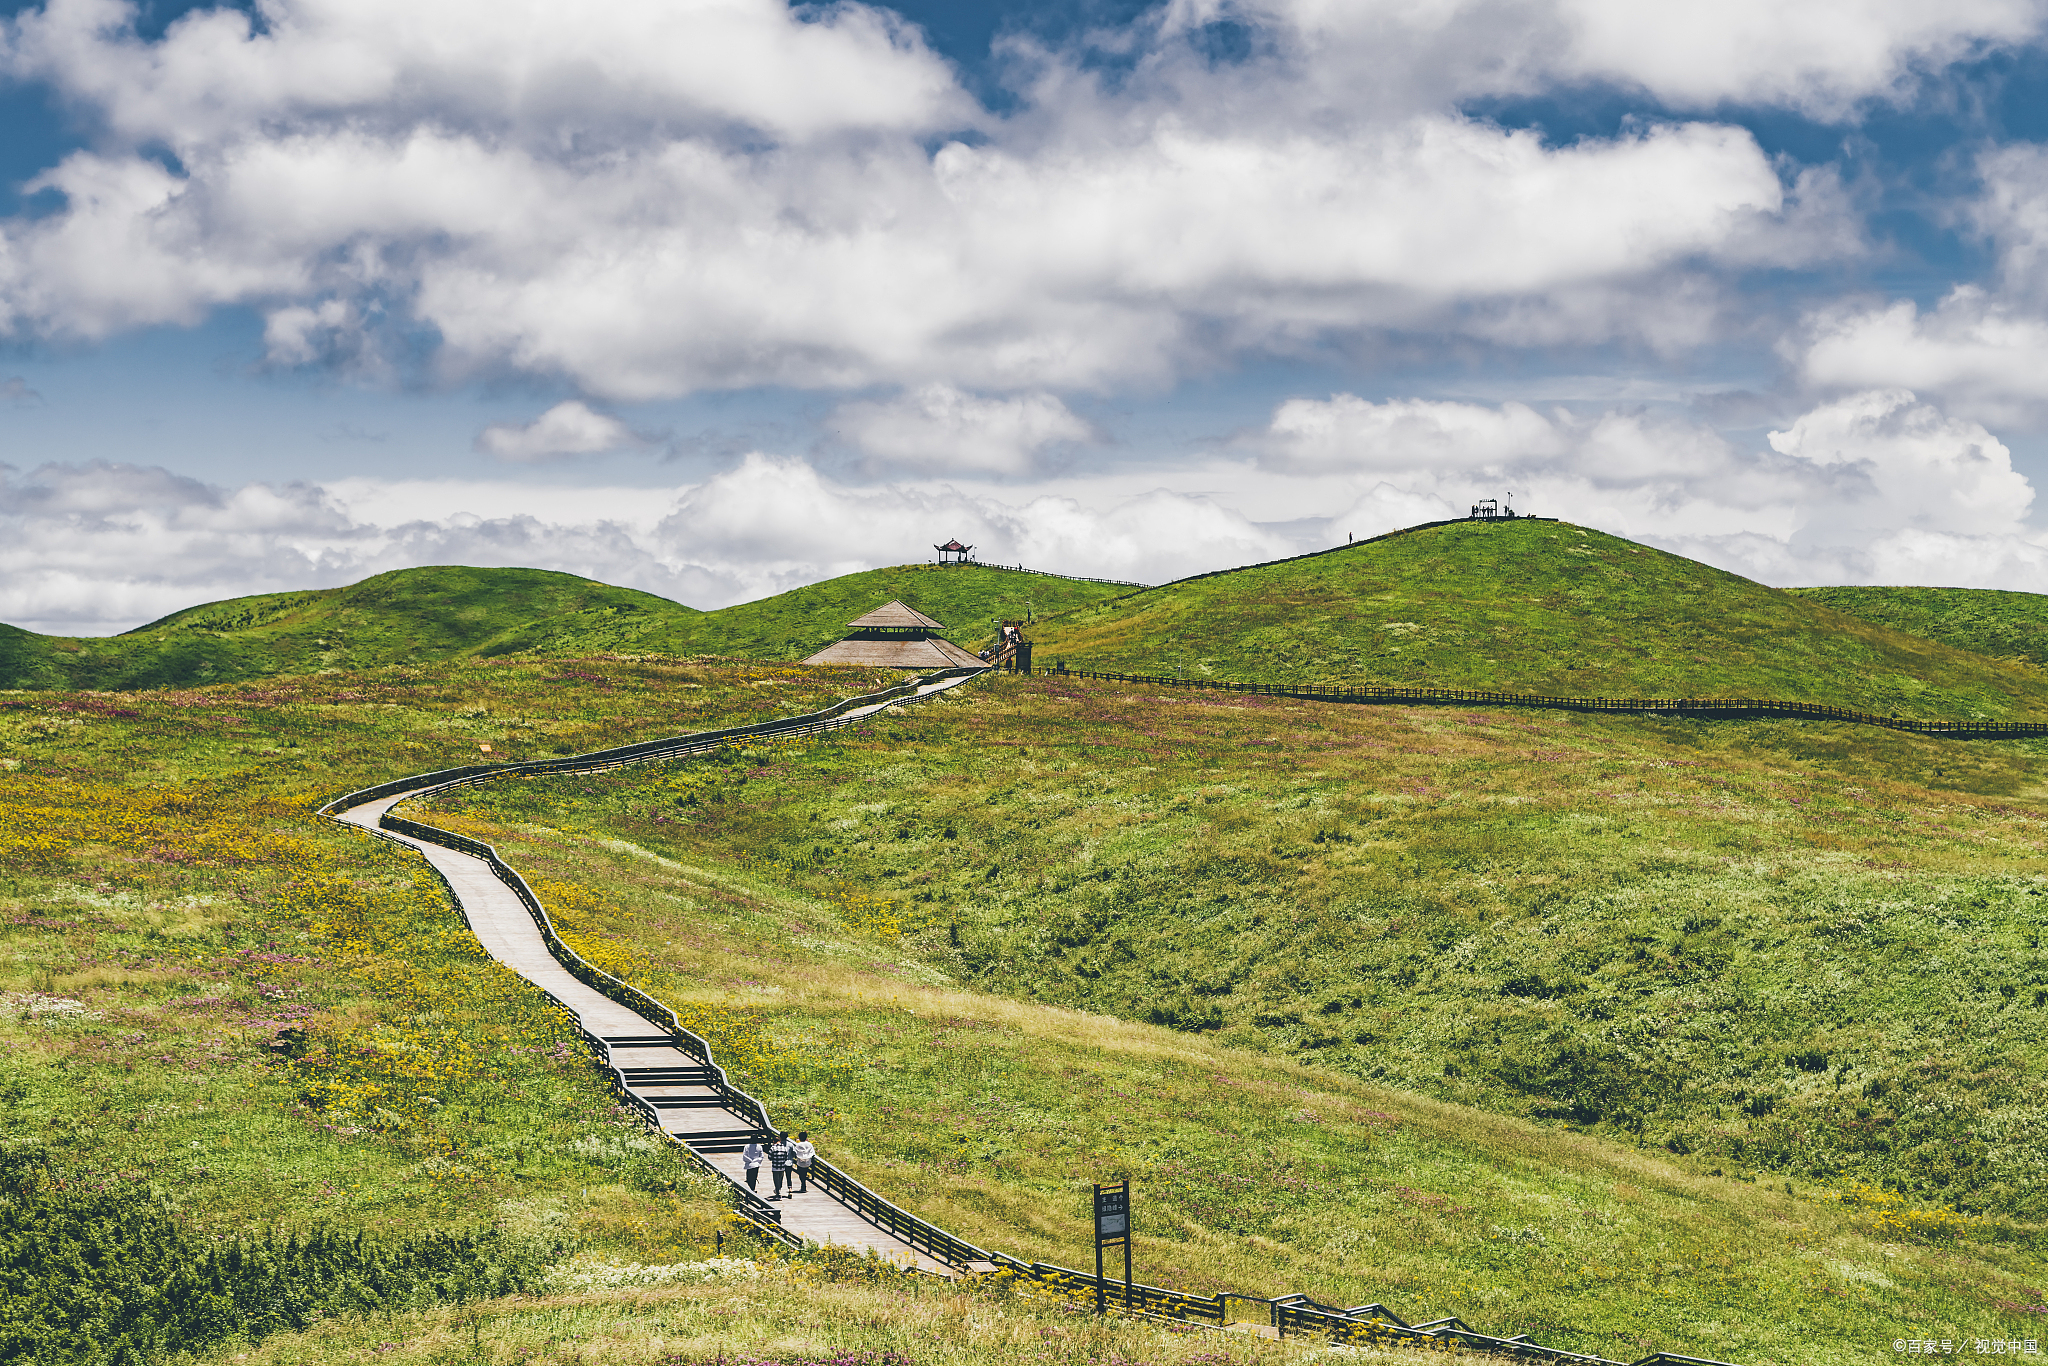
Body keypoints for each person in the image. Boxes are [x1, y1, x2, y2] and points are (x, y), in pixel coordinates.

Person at [767, 1131, 795, 1199]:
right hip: (788, 1162)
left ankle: (778, 1190)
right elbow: (794, 1153)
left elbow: (770, 1157)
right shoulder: (790, 1144)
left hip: (778, 1165)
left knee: (777, 1179)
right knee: (788, 1177)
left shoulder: (774, 1146)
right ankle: (790, 1188)